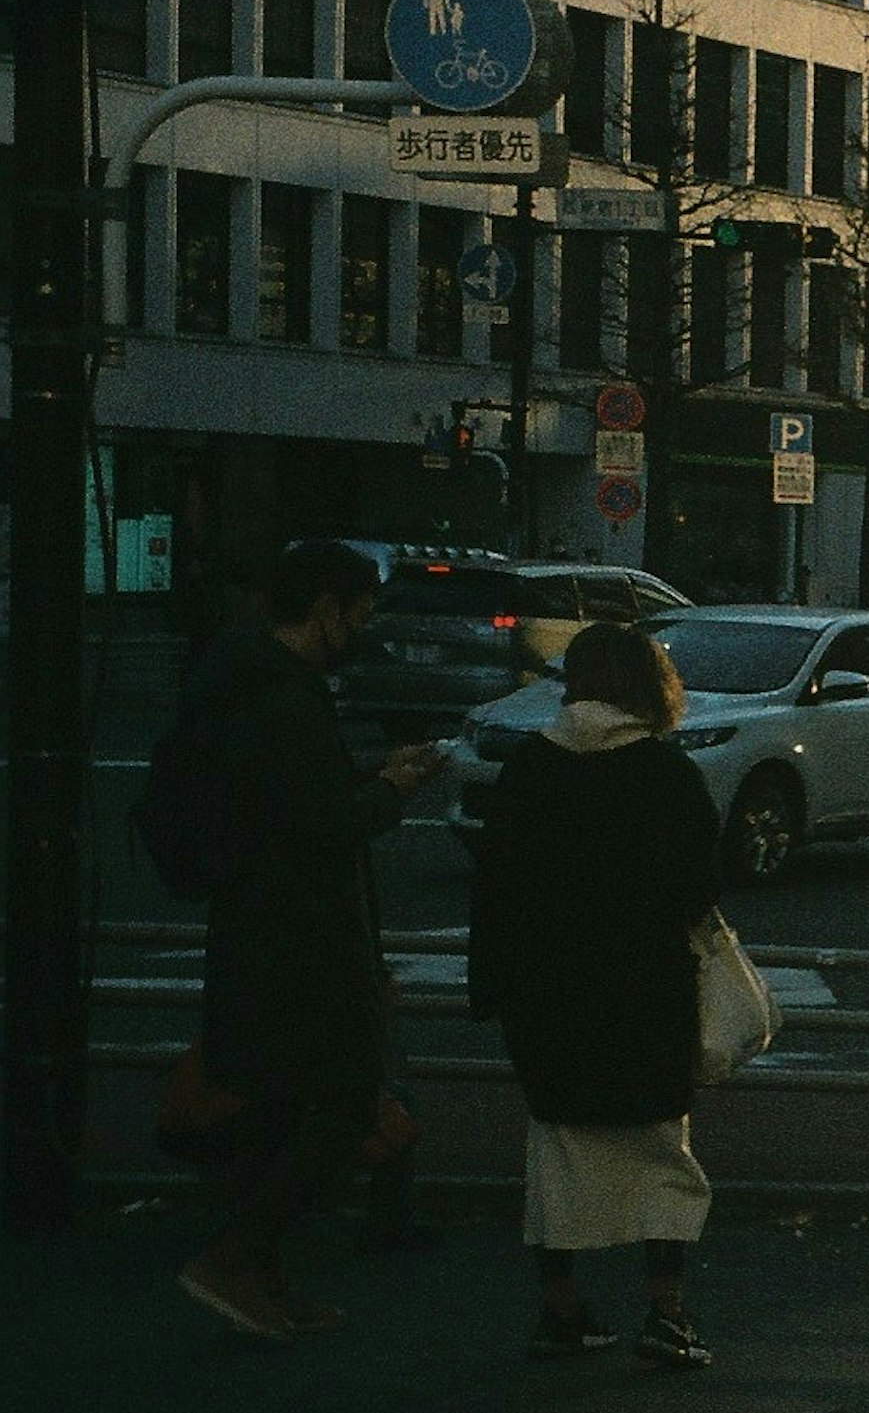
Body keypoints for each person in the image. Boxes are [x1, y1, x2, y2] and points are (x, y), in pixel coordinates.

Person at [174, 540, 449, 1340]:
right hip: (301, 937)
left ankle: (259, 1275)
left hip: (258, 927)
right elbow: (322, 824)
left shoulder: (246, 682)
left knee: (284, 1100)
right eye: (358, 613)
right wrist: (393, 787)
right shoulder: (286, 697)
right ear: (326, 607)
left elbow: (289, 800)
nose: (362, 629)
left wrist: (369, 773)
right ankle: (238, 1255)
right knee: (345, 1096)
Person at [468, 623, 726, 1365]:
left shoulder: (529, 770)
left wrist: (495, 989)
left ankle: (560, 1307)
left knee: (559, 1155)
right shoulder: (666, 775)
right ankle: (666, 1311)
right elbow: (700, 887)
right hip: (644, 995)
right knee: (660, 1153)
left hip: (546, 1000)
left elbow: (495, 890)